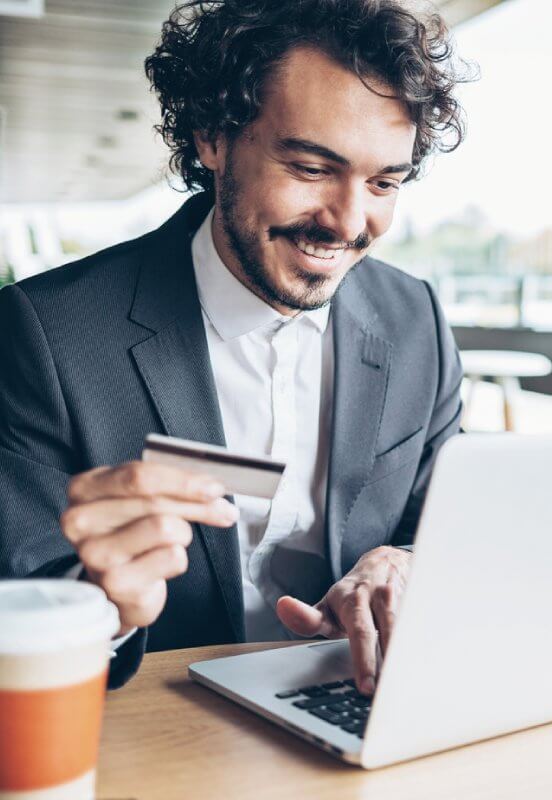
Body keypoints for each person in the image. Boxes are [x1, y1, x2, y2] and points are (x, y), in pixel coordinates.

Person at [0, 0, 469, 692]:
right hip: (152, 733)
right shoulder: (46, 332)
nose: (347, 222)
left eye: (383, 183)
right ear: (213, 137)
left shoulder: (416, 320)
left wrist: (400, 562)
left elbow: (448, 526)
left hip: (358, 707)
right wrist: (101, 608)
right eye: (311, 168)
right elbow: (17, 597)